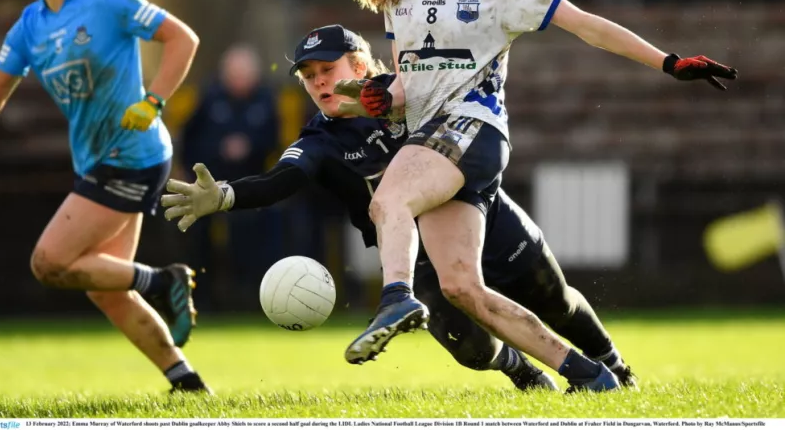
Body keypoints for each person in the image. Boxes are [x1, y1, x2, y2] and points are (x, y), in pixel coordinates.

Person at [335, 0, 737, 387]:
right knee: (462, 289)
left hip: (475, 130)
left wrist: (667, 61)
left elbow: (587, 26)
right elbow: (408, 89)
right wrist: (380, 96)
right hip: (432, 140)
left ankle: (395, 298)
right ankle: (590, 375)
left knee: (388, 200)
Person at [161, 25, 637, 392]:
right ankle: (520, 370)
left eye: (328, 70)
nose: (319, 83)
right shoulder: (319, 140)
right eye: (309, 77)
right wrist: (225, 195)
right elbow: (282, 179)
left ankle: (614, 366)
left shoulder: (410, 95)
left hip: (481, 212)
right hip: (416, 258)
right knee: (468, 346)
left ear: (361, 65)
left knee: (552, 296)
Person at [0, 0, 210, 393]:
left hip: (133, 153)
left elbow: (182, 38)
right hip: (97, 160)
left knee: (48, 262)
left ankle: (163, 280)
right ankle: (186, 382)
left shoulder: (108, 1)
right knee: (104, 286)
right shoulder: (29, 26)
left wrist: (154, 101)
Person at [179, 44, 281, 310]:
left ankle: (250, 297)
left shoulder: (265, 100)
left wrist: (249, 147)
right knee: (198, 235)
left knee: (252, 236)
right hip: (210, 183)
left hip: (249, 185)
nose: (238, 81)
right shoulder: (209, 98)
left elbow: (274, 140)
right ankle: (202, 299)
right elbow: (189, 140)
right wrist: (216, 152)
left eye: (243, 75)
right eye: (233, 75)